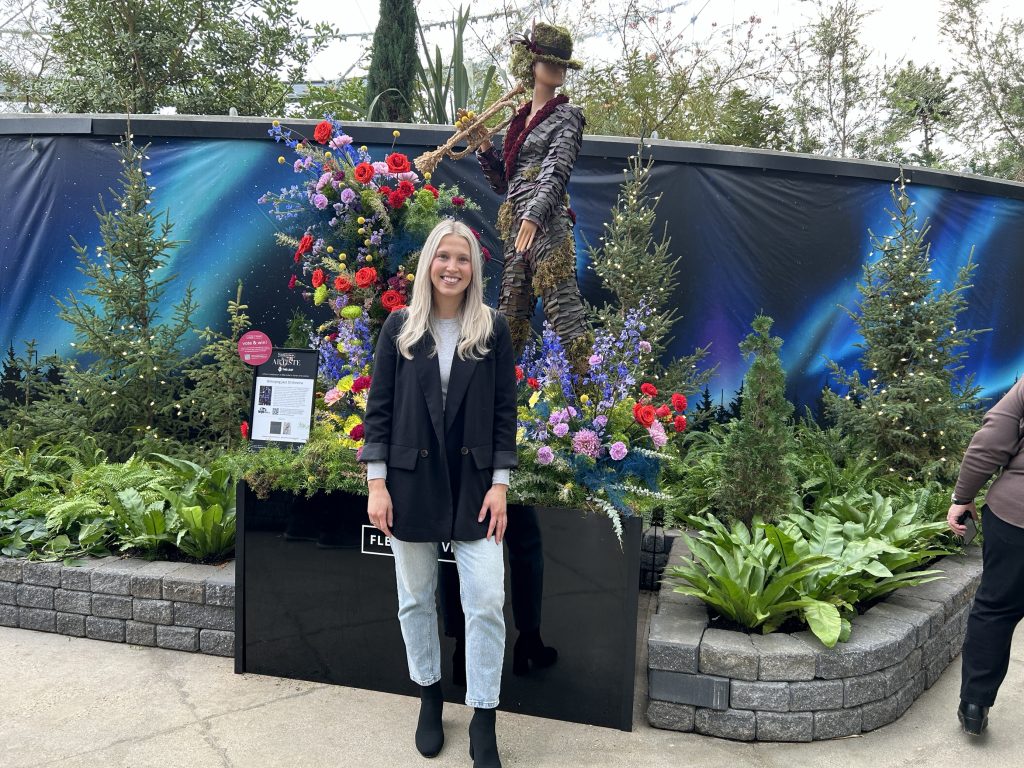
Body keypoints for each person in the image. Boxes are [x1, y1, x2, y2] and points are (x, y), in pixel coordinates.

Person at [360, 219, 518, 767]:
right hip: (409, 484)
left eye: (463, 257)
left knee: (487, 602)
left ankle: (483, 716)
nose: (452, 267)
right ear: (428, 262)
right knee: (415, 598)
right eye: (443, 256)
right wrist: (376, 483)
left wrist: (500, 486)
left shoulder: (491, 329)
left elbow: (504, 415)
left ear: (474, 267)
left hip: (475, 486)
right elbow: (377, 410)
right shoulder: (400, 327)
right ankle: (429, 696)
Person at [464, 22, 592, 374]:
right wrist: (486, 146)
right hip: (518, 224)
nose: (557, 68)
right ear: (532, 64)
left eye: (562, 63)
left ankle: (591, 397)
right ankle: (498, 390)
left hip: (546, 223)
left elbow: (557, 169)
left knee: (562, 304)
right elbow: (503, 183)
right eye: (548, 60)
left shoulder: (568, 115)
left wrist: (534, 215)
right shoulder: (519, 120)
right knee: (512, 311)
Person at [947, 376, 1024, 735]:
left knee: (996, 608)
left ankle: (974, 706)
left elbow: (992, 441)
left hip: (1016, 519)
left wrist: (962, 497)